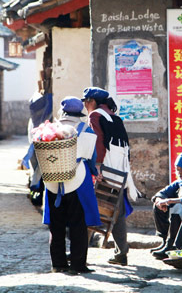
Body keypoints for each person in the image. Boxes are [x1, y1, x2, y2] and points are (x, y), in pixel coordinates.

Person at [42, 97, 101, 274]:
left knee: (56, 225)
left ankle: (58, 264)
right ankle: (78, 264)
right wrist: (95, 173)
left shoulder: (51, 130)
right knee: (78, 225)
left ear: (63, 112)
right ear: (79, 112)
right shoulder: (86, 131)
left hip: (53, 182)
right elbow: (91, 158)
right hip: (77, 182)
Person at [83, 87, 134, 266]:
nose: (85, 105)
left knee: (91, 209)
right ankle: (121, 253)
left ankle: (79, 253)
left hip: (104, 171)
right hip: (119, 173)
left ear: (93, 102)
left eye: (86, 101)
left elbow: (97, 144)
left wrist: (96, 170)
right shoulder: (116, 118)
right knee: (116, 212)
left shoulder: (95, 116)